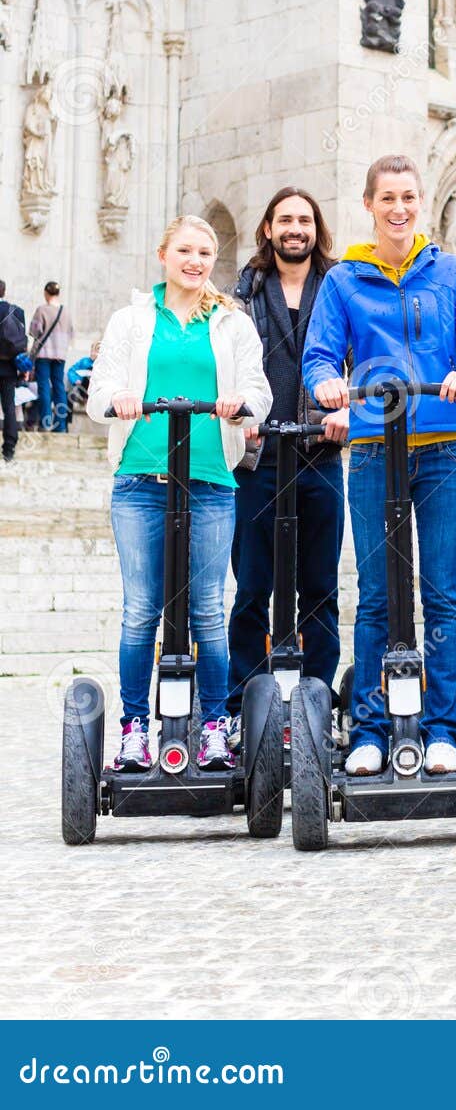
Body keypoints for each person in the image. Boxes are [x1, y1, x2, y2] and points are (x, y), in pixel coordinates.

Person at [302, 153, 456, 777]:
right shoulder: (343, 280)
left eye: (409, 197)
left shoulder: (454, 271)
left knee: (443, 593)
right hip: (370, 446)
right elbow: (320, 354)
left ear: (422, 202)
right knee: (377, 596)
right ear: (369, 205)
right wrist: (328, 384)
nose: (399, 208)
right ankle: (369, 727)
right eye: (387, 197)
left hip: (444, 443)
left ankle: (443, 729)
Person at [87, 215, 272, 773]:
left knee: (209, 612)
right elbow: (99, 391)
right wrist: (119, 397)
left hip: (212, 480)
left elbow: (258, 390)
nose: (195, 261)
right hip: (141, 478)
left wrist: (241, 403)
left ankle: (214, 726)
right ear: (164, 254)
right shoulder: (132, 320)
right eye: (185, 251)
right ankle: (135, 729)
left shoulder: (231, 322)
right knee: (141, 610)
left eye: (205, 253)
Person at [225, 187, 347, 747]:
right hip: (259, 454)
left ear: (315, 227)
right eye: (285, 219)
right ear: (268, 228)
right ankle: (242, 704)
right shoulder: (242, 295)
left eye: (305, 218)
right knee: (253, 584)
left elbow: (364, 356)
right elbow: (228, 369)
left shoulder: (341, 286)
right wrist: (238, 416)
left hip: (321, 449)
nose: (295, 228)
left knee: (319, 585)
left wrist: (349, 408)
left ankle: (316, 702)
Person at [28, 281, 73, 433]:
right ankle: (60, 425)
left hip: (44, 354)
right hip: (60, 354)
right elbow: (71, 334)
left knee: (44, 387)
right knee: (59, 387)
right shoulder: (66, 312)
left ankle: (46, 423)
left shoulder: (42, 310)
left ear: (46, 293)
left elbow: (34, 332)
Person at [0, 278, 28, 463]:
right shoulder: (16, 311)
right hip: (9, 367)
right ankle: (9, 449)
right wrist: (24, 369)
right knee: (9, 407)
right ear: (4, 291)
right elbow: (22, 343)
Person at [65, 341, 100, 421]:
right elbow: (71, 371)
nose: (93, 354)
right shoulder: (84, 361)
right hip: (81, 389)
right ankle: (66, 423)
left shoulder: (102, 365)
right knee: (68, 396)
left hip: (95, 390)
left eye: (96, 352)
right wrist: (76, 380)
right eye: (92, 351)